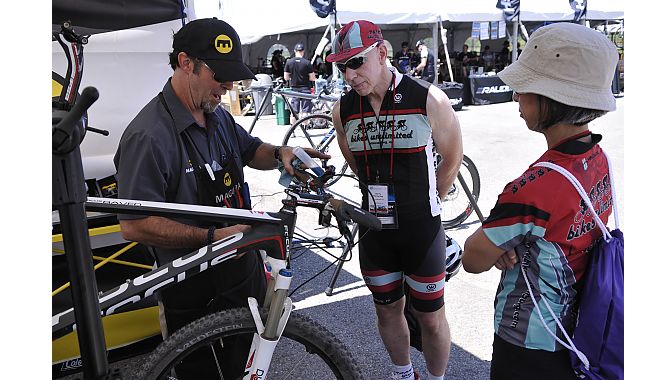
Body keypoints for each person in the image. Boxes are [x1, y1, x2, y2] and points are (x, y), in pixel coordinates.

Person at [113, 18, 328, 378]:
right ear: (185, 63)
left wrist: (281, 153)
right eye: (219, 74)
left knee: (247, 363)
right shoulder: (148, 135)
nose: (228, 85)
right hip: (188, 285)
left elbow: (251, 150)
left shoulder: (217, 116)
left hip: (240, 272)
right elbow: (134, 225)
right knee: (201, 372)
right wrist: (211, 238)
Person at [461, 22, 619, 380]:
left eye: (525, 87)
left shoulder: (533, 188)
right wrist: (510, 240)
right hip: (581, 327)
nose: (516, 97)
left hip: (527, 339)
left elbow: (473, 259)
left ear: (554, 98)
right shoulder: (599, 159)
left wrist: (502, 243)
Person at [326, 20, 463, 380]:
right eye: (342, 67)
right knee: (386, 311)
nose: (349, 75)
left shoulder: (428, 98)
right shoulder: (343, 109)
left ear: (382, 53)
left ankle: (436, 378)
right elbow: (355, 162)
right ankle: (403, 374)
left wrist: (431, 202)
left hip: (422, 230)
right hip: (375, 231)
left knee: (431, 317)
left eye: (356, 62)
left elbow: (452, 159)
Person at [284, 42, 316, 121]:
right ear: (303, 51)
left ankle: (293, 130)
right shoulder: (307, 63)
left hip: (294, 89)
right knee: (306, 111)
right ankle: (305, 129)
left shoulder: (289, 62)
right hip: (305, 89)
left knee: (294, 111)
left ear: (295, 51)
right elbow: (313, 78)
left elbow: (286, 77)